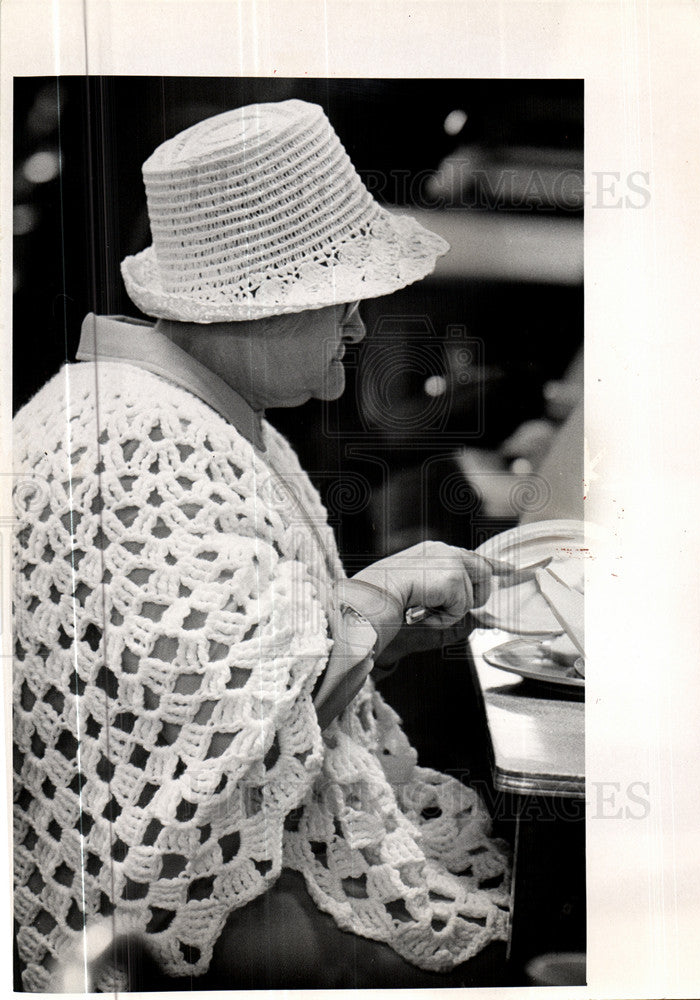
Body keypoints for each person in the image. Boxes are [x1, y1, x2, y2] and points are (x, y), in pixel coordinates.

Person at [12, 100, 514, 991]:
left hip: (201, 873)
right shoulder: (139, 444)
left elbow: (208, 676)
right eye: (340, 299)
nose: (359, 328)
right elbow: (227, 737)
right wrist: (382, 597)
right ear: (262, 302)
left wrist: (380, 638)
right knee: (525, 918)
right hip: (168, 917)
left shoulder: (185, 413)